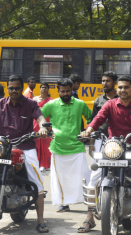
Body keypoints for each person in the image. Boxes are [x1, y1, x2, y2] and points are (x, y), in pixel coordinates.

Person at [0, 75, 50, 233]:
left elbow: (40, 117)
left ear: (22, 88)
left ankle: (41, 220)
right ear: (7, 88)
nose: (13, 90)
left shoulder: (30, 104)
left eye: (16, 88)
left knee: (37, 181)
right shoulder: (1, 103)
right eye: (11, 88)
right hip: (5, 145)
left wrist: (43, 127)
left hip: (25, 146)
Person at [81, 75, 131, 232]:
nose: (122, 90)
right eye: (120, 87)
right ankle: (90, 211)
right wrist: (88, 130)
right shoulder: (110, 104)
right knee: (95, 172)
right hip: (113, 146)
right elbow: (98, 119)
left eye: (126, 87)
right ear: (117, 89)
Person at [40, 78, 92, 217]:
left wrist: (87, 131)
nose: (65, 94)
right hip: (58, 147)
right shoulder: (51, 104)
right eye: (62, 91)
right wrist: (45, 128)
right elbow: (39, 116)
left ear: (72, 90)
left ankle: (90, 204)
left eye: (68, 91)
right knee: (60, 178)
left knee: (84, 177)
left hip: (77, 147)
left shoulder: (80, 104)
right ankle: (63, 203)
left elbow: (90, 118)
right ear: (58, 91)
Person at [86, 71, 118, 213]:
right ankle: (90, 215)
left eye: (108, 81)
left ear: (114, 83)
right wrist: (91, 143)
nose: (104, 83)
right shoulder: (98, 101)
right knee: (95, 176)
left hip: (118, 142)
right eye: (103, 81)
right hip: (101, 141)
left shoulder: (121, 98)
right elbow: (94, 122)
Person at [33, 83, 53, 172]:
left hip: (46, 124)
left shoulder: (51, 101)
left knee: (45, 144)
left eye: (45, 87)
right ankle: (36, 164)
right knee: (36, 143)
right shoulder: (35, 99)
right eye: (42, 87)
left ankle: (46, 164)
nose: (43, 89)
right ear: (40, 89)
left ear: (48, 89)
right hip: (35, 124)